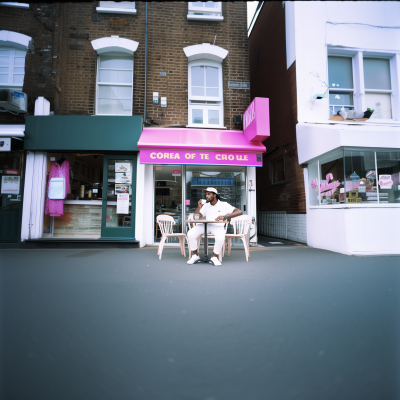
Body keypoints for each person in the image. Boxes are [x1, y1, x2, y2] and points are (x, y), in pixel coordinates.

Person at [187, 187, 243, 266]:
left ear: (215, 195)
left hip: (217, 226)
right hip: (205, 225)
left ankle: (214, 256)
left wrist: (224, 216)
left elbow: (239, 211)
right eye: (206, 194)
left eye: (209, 194)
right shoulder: (205, 206)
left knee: (220, 237)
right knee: (190, 233)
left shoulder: (224, 204)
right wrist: (199, 206)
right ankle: (195, 255)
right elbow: (196, 218)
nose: (207, 196)